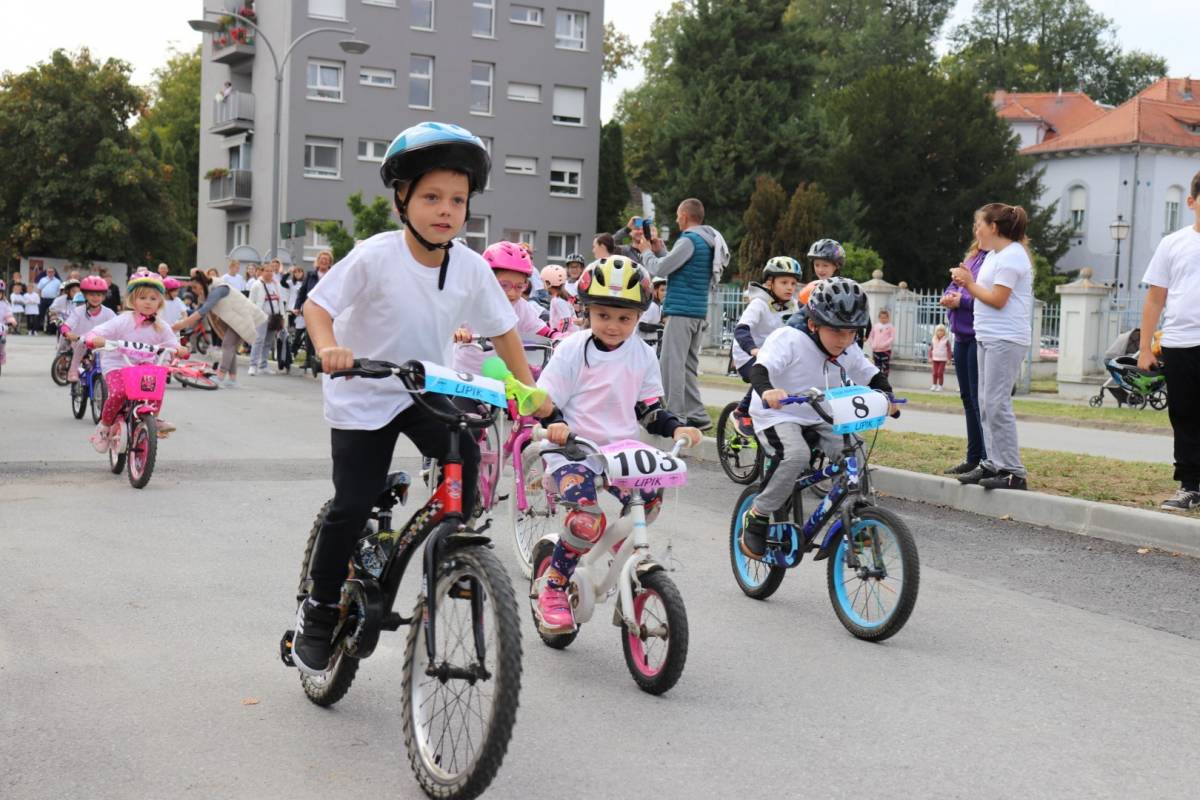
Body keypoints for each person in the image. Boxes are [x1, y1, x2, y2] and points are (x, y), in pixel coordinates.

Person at [292, 120, 542, 675]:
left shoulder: (472, 267)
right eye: (431, 196)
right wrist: (330, 347)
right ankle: (319, 606)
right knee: (352, 504)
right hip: (363, 392)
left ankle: (455, 558)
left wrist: (527, 391)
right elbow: (317, 306)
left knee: (469, 460)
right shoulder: (376, 255)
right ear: (403, 199)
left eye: (458, 199)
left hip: (424, 389)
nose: (446, 209)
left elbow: (503, 330)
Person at [532, 256, 701, 632]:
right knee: (587, 520)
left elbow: (649, 408)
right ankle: (555, 587)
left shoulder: (642, 353)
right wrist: (555, 423)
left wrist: (676, 428)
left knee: (651, 500)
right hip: (573, 450)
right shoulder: (574, 349)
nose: (613, 325)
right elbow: (546, 400)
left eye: (624, 318)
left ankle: (608, 552)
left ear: (639, 318)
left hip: (619, 454)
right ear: (588, 311)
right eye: (604, 315)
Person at [739, 277, 896, 558]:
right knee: (796, 456)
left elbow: (868, 373)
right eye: (836, 331)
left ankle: (855, 522)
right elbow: (760, 369)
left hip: (820, 413)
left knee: (855, 454)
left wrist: (887, 396)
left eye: (852, 332)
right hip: (777, 412)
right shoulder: (789, 339)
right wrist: (768, 391)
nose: (845, 340)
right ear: (814, 324)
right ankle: (758, 513)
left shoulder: (848, 347)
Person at [951, 203, 1034, 491]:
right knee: (985, 402)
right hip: (988, 336)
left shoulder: (1012, 257)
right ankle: (993, 463)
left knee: (997, 403)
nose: (976, 230)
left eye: (979, 225)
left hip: (1006, 338)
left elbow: (998, 299)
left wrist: (968, 283)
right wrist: (968, 280)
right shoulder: (994, 256)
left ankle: (1013, 471)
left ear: (994, 227)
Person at [1138, 169, 1200, 511]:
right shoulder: (1173, 243)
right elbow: (1154, 299)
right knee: (1184, 414)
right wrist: (1145, 347)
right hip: (1179, 343)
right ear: (1191, 202)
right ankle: (1190, 485)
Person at [637, 198, 727, 429]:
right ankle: (698, 415)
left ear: (685, 216)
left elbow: (660, 269)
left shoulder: (689, 239)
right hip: (697, 311)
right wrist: (661, 250)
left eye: (678, 216)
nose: (677, 219)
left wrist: (647, 253)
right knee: (687, 365)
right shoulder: (706, 240)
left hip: (681, 311)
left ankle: (676, 414)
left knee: (671, 364)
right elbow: (682, 265)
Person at [84, 273, 187, 449]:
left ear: (160, 302)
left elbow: (172, 343)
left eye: (153, 298)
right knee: (118, 393)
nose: (148, 302)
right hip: (117, 364)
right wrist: (94, 338)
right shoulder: (123, 320)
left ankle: (152, 418)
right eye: (142, 297)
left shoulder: (161, 326)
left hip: (144, 367)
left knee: (155, 386)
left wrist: (180, 349)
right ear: (133, 300)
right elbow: (99, 331)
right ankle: (105, 426)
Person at [452, 242, 561, 374]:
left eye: (519, 286)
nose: (512, 293)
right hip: (464, 376)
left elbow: (543, 330)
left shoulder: (521, 307)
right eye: (504, 285)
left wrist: (559, 337)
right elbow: (447, 326)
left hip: (500, 377)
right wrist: (456, 331)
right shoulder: (470, 302)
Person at [730, 257, 802, 434]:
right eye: (784, 282)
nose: (790, 288)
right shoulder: (759, 303)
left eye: (793, 283)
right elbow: (741, 330)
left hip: (774, 354)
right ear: (770, 283)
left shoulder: (794, 306)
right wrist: (754, 350)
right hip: (748, 355)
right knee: (765, 373)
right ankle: (741, 411)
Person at [941, 233, 988, 475]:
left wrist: (963, 301)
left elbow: (987, 295)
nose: (977, 232)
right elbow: (955, 284)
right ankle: (973, 457)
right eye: (976, 227)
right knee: (968, 399)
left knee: (980, 400)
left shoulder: (995, 261)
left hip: (978, 336)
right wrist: (949, 296)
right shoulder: (972, 258)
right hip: (961, 337)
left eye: (982, 226)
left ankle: (986, 459)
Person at [173, 269, 267, 388]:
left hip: (241, 318)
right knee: (230, 347)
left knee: (227, 345)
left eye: (195, 287)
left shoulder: (218, 289)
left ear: (202, 283)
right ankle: (232, 380)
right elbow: (199, 310)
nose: (193, 290)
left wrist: (182, 324)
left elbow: (203, 310)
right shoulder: (208, 291)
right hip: (235, 320)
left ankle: (220, 376)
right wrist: (183, 321)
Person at [60, 277, 117, 383]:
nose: (95, 298)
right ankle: (73, 370)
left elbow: (118, 327)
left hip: (99, 344)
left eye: (99, 295)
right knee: (81, 345)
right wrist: (68, 333)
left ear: (104, 297)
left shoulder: (109, 313)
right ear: (85, 295)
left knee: (108, 356)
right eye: (91, 295)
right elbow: (66, 326)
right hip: (80, 341)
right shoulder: (78, 311)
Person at [247, 259, 284, 376]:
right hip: (261, 317)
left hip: (274, 317)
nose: (269, 273)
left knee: (268, 342)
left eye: (271, 271)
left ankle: (263, 365)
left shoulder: (275, 284)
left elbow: (280, 300)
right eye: (267, 271)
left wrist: (282, 316)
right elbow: (251, 302)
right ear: (261, 272)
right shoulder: (257, 285)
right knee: (258, 340)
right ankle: (253, 365)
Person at [540, 265, 576, 335]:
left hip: (568, 337)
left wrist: (559, 335)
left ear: (548, 283)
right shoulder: (560, 298)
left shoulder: (558, 300)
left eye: (543, 282)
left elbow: (566, 320)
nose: (543, 284)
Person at [638, 276, 667, 344]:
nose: (665, 293)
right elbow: (641, 325)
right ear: (654, 291)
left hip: (652, 344)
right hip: (643, 344)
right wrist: (661, 327)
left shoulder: (658, 306)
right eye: (662, 290)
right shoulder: (651, 306)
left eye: (666, 290)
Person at [36, 267, 62, 334]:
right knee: (40, 314)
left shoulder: (58, 281)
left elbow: (60, 291)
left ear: (54, 272)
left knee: (52, 315)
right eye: (49, 271)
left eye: (52, 271)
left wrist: (58, 300)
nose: (50, 273)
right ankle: (37, 329)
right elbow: (39, 289)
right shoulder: (42, 280)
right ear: (46, 272)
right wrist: (39, 298)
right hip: (43, 299)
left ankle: (50, 330)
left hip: (53, 300)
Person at [929, 324, 951, 391]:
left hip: (943, 359)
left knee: (940, 373)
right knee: (934, 373)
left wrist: (948, 359)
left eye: (942, 331)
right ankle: (934, 385)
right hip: (935, 359)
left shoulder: (946, 340)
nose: (940, 332)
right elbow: (930, 349)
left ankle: (940, 386)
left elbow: (949, 350)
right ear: (936, 332)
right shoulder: (933, 339)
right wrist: (930, 357)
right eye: (939, 331)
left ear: (944, 332)